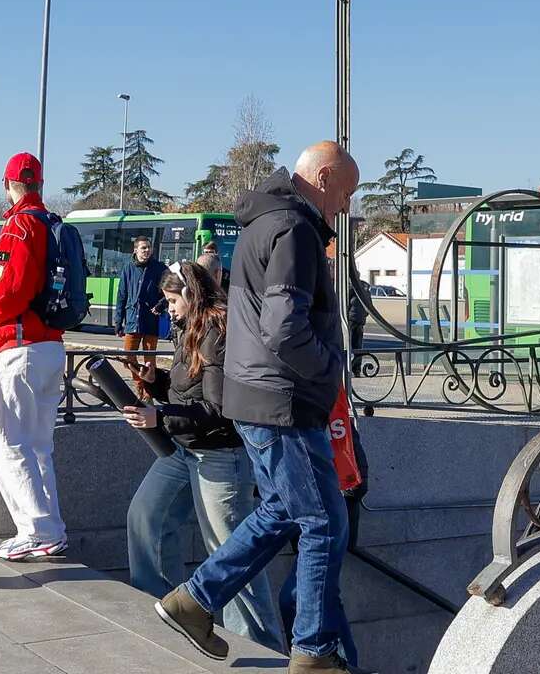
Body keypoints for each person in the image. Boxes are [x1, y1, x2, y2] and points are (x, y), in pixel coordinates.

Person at [154, 142, 361, 673]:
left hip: (256, 397)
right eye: (345, 192)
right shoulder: (294, 228)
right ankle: (313, 653)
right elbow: (283, 326)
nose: (345, 205)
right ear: (322, 177)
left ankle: (194, 602)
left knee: (281, 511)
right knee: (323, 521)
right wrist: (329, 367)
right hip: (283, 400)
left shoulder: (262, 222)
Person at [124, 262, 284, 652]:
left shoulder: (216, 330)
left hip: (218, 454)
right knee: (146, 516)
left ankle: (261, 647)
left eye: (173, 299)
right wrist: (156, 382)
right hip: (184, 447)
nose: (169, 308)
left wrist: (158, 415)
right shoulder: (187, 326)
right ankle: (167, 613)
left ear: (192, 295)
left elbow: (217, 409)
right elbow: (188, 393)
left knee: (229, 552)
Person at [0, 152, 71, 562]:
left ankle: (36, 530)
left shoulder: (18, 225)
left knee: (9, 443)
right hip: (52, 344)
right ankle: (51, 527)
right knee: (39, 445)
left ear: (8, 184)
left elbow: (12, 287)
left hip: (21, 347)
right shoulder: (54, 223)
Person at [118, 236, 169, 391]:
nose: (147, 251)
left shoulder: (159, 268)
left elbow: (170, 291)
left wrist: (160, 306)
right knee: (128, 358)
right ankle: (139, 384)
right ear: (135, 250)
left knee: (149, 360)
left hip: (150, 320)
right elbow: (121, 295)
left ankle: (148, 391)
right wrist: (118, 321)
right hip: (132, 319)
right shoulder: (128, 268)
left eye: (148, 247)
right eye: (143, 248)